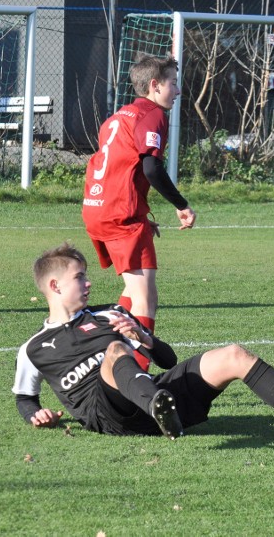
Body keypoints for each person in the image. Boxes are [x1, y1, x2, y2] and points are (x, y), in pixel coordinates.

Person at [12, 243, 274, 443]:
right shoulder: (34, 348)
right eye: (79, 278)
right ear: (55, 287)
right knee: (114, 352)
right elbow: (24, 398)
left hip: (153, 396)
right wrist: (35, 414)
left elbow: (167, 360)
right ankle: (159, 407)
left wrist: (144, 338)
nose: (88, 283)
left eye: (87, 276)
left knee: (233, 354)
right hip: (109, 413)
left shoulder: (110, 315)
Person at [82, 54, 196, 371]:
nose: (177, 91)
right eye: (173, 83)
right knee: (147, 301)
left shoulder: (117, 118)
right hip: (121, 216)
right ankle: (137, 379)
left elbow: (122, 168)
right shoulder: (152, 114)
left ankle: (107, 348)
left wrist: (141, 213)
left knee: (135, 295)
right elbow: (151, 168)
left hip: (99, 208)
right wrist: (181, 205)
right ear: (155, 85)